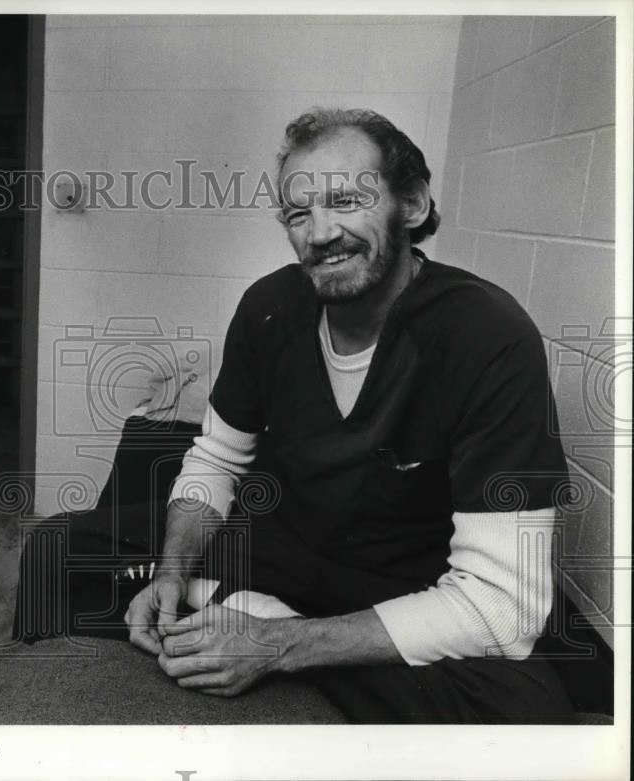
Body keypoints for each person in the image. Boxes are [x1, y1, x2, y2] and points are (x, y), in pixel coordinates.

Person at [119, 108, 577, 723]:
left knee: (525, 716)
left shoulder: (488, 336)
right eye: (298, 214)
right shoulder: (270, 307)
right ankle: (230, 605)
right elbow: (218, 458)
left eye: (345, 200)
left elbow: (504, 607)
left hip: (401, 581)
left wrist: (281, 646)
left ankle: (273, 626)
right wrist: (174, 571)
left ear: (411, 203)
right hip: (281, 547)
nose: (320, 232)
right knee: (61, 553)